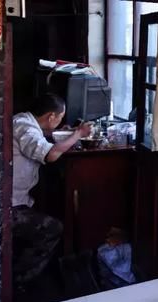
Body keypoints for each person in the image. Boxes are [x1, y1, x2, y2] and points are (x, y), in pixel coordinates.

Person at [12, 93, 92, 284]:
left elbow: (40, 138)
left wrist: (64, 133)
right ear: (51, 117)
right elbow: (51, 154)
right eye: (60, 118)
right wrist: (78, 135)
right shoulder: (25, 128)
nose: (59, 121)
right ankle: (19, 279)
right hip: (9, 206)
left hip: (17, 198)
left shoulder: (24, 120)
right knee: (53, 228)